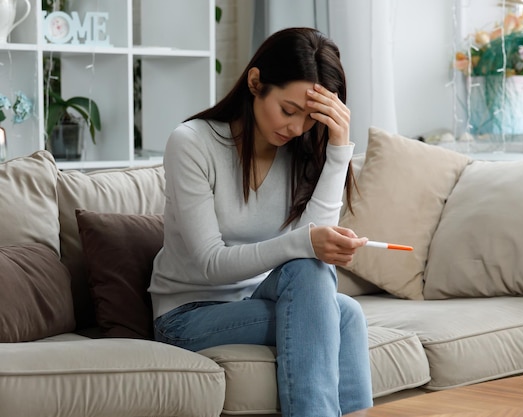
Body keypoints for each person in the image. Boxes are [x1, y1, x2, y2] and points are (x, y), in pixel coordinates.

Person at [148, 27, 373, 416]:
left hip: (257, 299)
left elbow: (313, 250)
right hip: (187, 316)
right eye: (288, 110)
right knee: (338, 307)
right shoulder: (191, 143)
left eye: (310, 118)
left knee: (343, 306)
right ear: (256, 83)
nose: (297, 128)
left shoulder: (300, 152)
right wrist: (305, 243)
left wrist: (338, 149)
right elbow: (210, 263)